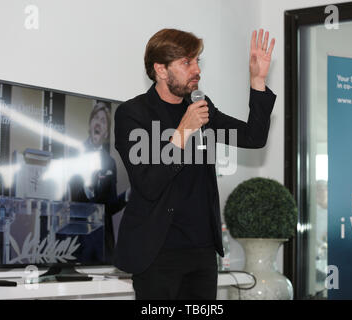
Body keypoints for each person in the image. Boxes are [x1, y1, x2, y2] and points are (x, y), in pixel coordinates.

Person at [114, 28, 276, 299]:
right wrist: (182, 133)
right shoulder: (133, 115)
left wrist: (258, 80)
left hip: (202, 253)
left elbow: (254, 137)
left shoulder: (202, 106)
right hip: (157, 255)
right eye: (187, 62)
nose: (196, 70)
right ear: (161, 70)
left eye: (197, 61)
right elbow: (148, 184)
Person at [69, 102, 129, 264]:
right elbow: (71, 200)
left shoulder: (109, 162)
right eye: (96, 118)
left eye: (103, 121)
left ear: (106, 133)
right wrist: (89, 187)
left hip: (103, 242)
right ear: (90, 124)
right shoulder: (75, 154)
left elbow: (109, 206)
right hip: (80, 241)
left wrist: (127, 196)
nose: (98, 122)